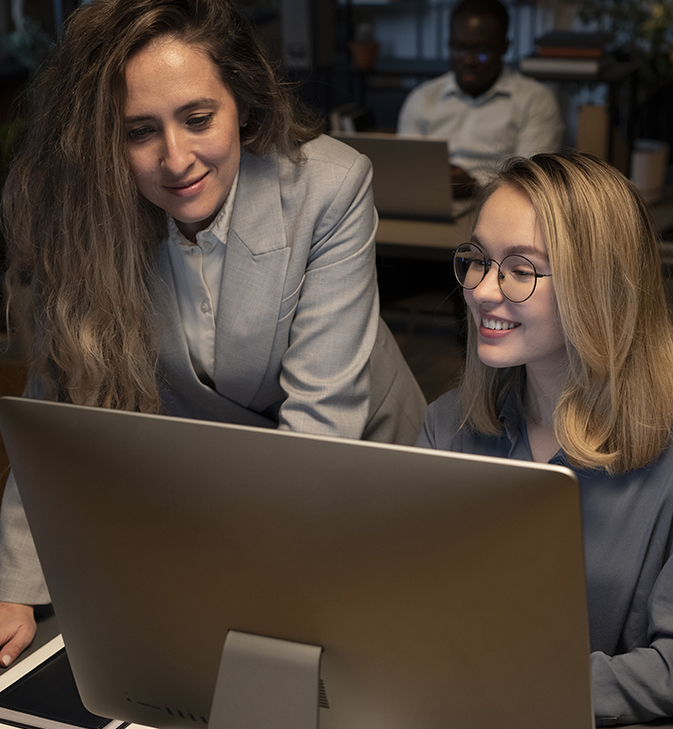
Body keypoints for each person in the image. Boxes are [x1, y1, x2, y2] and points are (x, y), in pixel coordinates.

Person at [0, 0, 427, 665]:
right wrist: (16, 585)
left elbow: (317, 433)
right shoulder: (87, 213)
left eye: (197, 119)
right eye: (140, 130)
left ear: (243, 105)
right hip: (219, 489)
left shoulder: (330, 186)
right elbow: (53, 402)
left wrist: (220, 592)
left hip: (357, 467)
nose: (175, 159)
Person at [417, 150, 673, 725]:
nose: (483, 290)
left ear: (599, 285)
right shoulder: (447, 424)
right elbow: (411, 604)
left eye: (521, 269)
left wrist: (516, 689)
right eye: (478, 260)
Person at [398, 0, 563, 194]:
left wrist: (474, 185)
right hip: (430, 199)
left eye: (482, 52)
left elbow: (532, 181)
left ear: (504, 47)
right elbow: (406, 171)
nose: (468, 60)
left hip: (499, 206)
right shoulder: (422, 98)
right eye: (459, 49)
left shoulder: (535, 100)